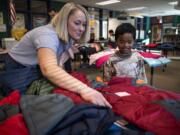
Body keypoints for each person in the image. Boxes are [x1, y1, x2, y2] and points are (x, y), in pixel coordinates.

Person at [0, 2, 111, 108]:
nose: (82, 28)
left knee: (35, 101)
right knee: (19, 105)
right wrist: (86, 90)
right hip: (15, 69)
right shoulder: (47, 35)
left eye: (84, 25)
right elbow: (49, 69)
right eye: (77, 23)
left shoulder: (68, 37)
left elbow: (58, 60)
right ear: (63, 21)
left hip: (35, 68)